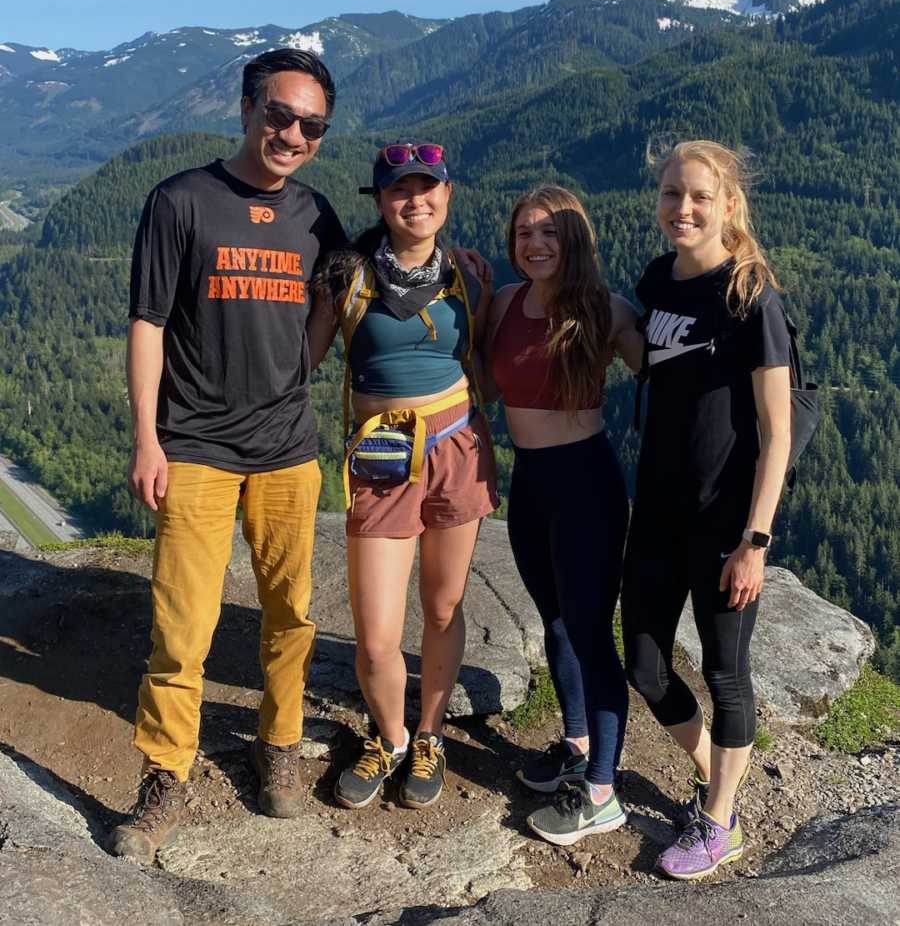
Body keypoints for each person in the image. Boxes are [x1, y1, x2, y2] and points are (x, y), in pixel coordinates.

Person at [107, 48, 347, 864]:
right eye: (279, 114)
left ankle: (277, 745)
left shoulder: (317, 215)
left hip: (287, 449)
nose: (292, 133)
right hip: (197, 446)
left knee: (291, 615)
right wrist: (148, 437)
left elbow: (331, 305)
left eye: (311, 124)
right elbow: (147, 323)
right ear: (245, 106)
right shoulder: (181, 201)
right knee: (182, 626)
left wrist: (300, 366)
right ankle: (167, 775)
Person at [308, 140, 497, 811]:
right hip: (384, 456)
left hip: (457, 446)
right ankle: (388, 736)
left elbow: (506, 351)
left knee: (443, 606)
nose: (414, 201)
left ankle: (428, 735)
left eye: (428, 188)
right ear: (381, 202)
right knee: (378, 633)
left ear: (447, 196)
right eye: (399, 190)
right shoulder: (347, 279)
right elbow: (302, 358)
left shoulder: (469, 278)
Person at [622, 140, 792, 879]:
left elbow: (778, 430)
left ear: (728, 204)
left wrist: (755, 539)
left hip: (725, 520)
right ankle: (715, 769)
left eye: (697, 196)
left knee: (727, 672)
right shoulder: (660, 279)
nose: (681, 209)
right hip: (658, 509)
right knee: (646, 665)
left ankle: (720, 820)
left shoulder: (751, 295)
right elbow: (651, 362)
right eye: (670, 194)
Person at [485, 185, 642, 845]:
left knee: (588, 629)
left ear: (574, 238)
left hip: (586, 482)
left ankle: (603, 791)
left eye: (550, 232)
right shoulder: (502, 303)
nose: (536, 243)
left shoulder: (604, 311)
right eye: (525, 232)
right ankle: (576, 745)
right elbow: (479, 382)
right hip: (531, 483)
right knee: (553, 620)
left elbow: (672, 378)